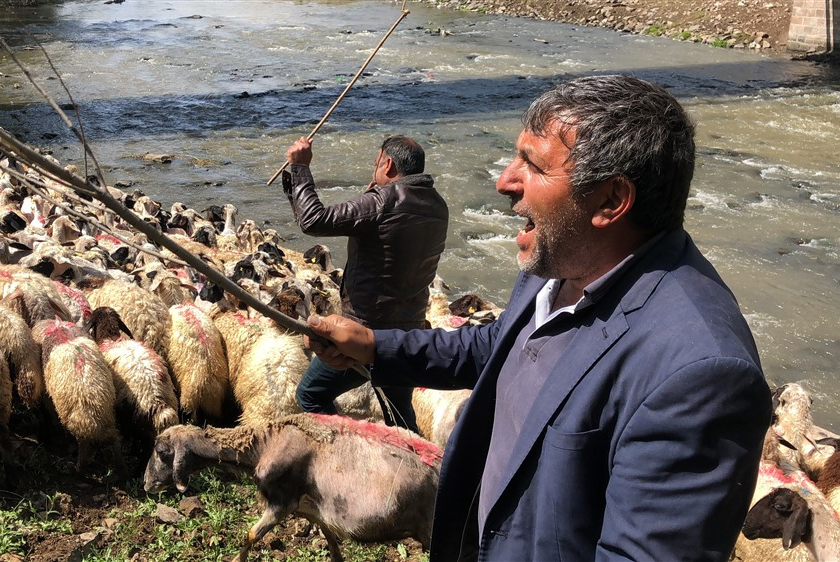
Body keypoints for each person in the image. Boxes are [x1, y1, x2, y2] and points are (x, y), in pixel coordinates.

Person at [302, 75, 772, 561]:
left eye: (532, 164)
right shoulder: (560, 262)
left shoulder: (701, 374)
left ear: (611, 201)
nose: (504, 181)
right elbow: (499, 347)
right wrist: (375, 345)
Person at [281, 135, 449, 430]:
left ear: (388, 164)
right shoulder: (437, 206)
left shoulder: (383, 202)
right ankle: (410, 464)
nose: (373, 172)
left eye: (375, 165)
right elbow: (389, 238)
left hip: (365, 332)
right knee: (398, 410)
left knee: (310, 394)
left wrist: (300, 168)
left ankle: (346, 453)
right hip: (408, 332)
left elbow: (314, 221)